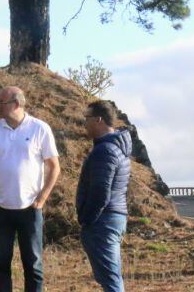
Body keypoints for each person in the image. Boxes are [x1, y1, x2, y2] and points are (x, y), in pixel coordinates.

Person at [0, 85, 61, 292]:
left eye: (1, 102)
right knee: (0, 264)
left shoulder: (40, 128)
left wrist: (41, 200)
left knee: (33, 265)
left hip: (30, 209)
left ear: (16, 104)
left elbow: (54, 167)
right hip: (0, 209)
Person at [76, 100, 131, 292]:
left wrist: (87, 219)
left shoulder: (104, 151)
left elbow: (101, 191)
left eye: (87, 119)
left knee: (111, 280)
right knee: (111, 278)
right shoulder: (115, 147)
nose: (85, 124)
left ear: (98, 120)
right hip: (111, 218)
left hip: (103, 221)